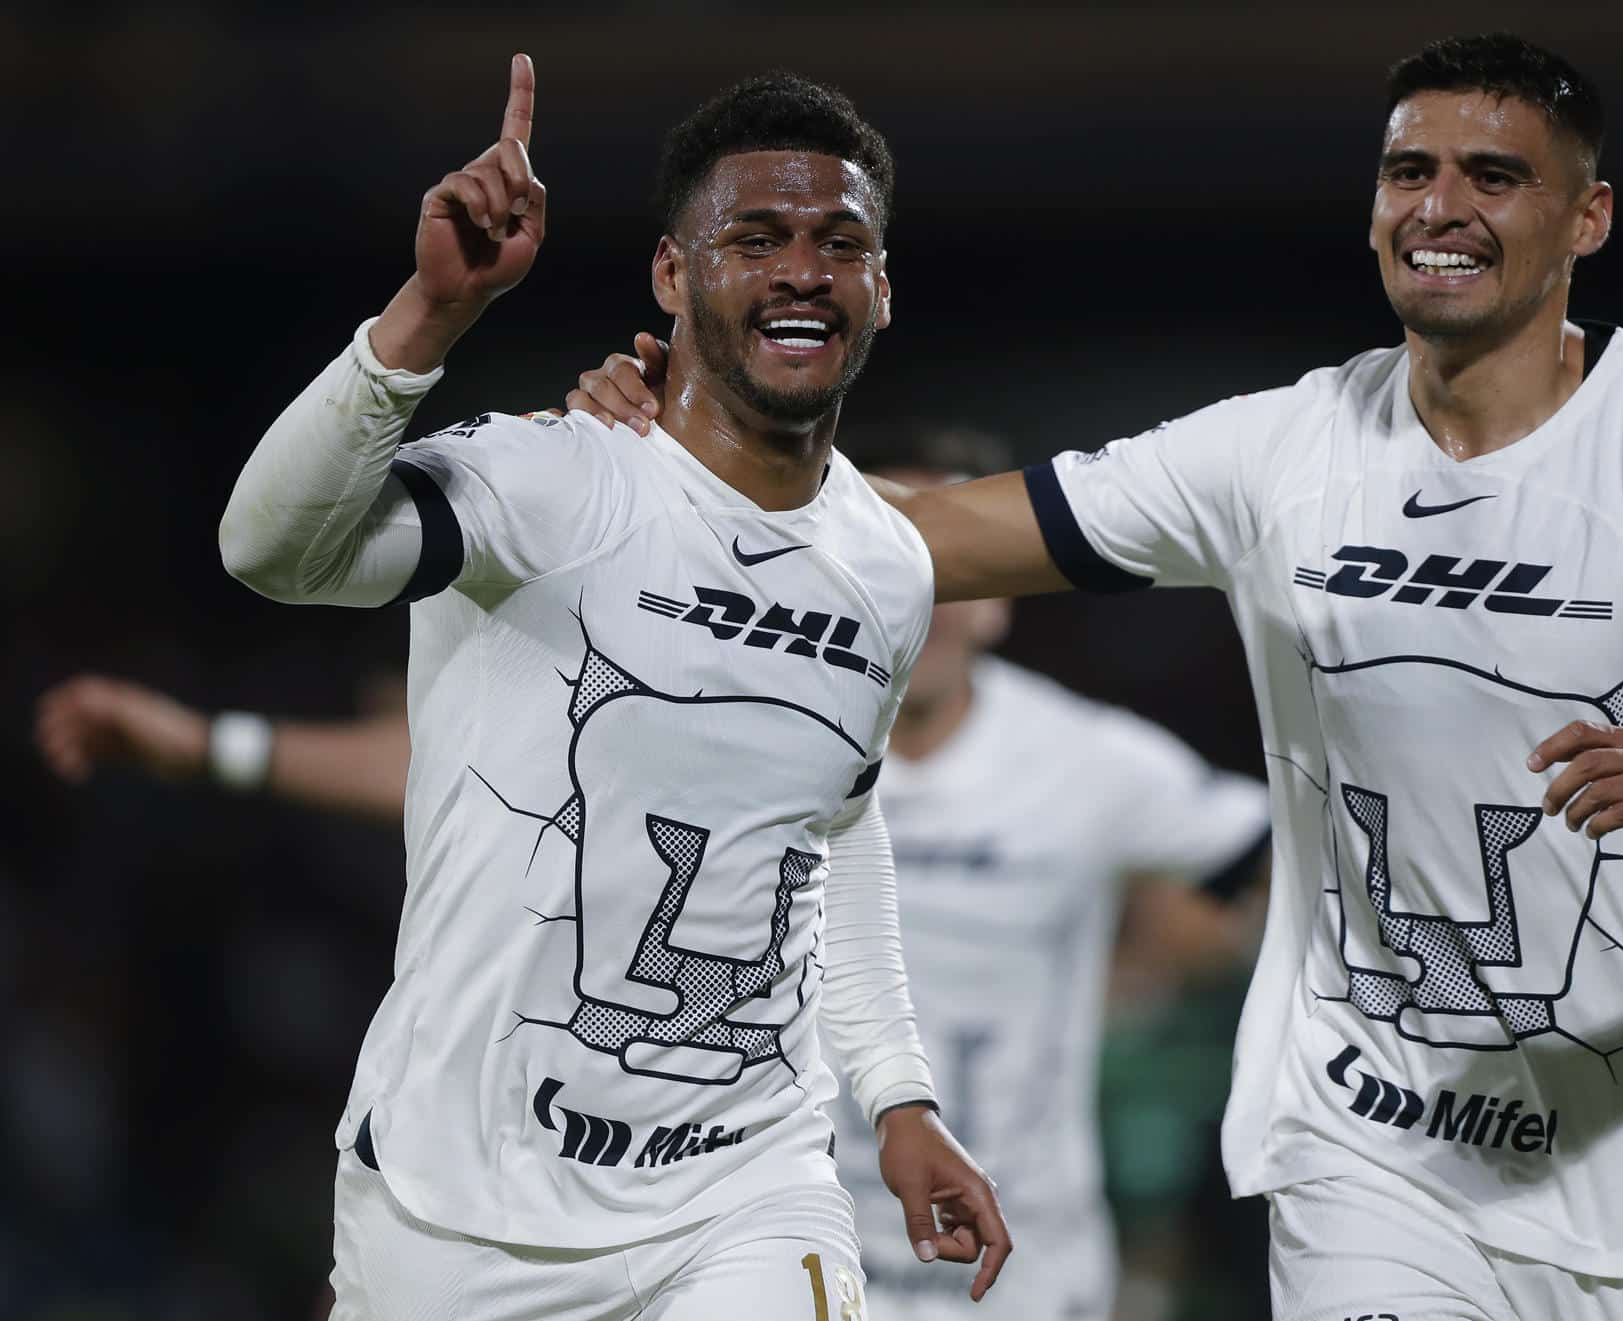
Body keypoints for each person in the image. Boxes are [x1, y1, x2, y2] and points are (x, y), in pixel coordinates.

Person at [566, 32, 1623, 1319]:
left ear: (1588, 218)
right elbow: (916, 538)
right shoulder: (1288, 452)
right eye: (1410, 172)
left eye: (1493, 176)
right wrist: (665, 461)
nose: (1439, 206)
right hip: (1372, 1160)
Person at [39, 424, 1276, 1321]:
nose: (938, 597)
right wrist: (216, 743)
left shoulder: (1083, 760)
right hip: (686, 1206)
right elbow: (450, 764)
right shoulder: (732, 703)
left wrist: (1139, 974)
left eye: (959, 562)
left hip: (982, 1260)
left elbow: (1267, 866)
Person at [214, 58, 1007, 1320]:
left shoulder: (888, 567)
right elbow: (271, 550)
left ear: (883, 289)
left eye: (839, 243)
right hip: (456, 1204)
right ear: (672, 275)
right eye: (757, 239)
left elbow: (834, 834)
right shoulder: (551, 482)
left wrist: (897, 1095)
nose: (804, 270)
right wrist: (428, 313)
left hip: (746, 1186)